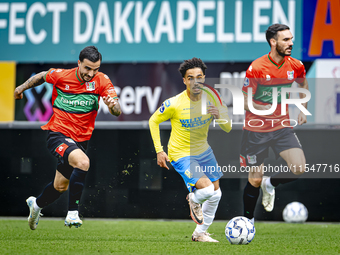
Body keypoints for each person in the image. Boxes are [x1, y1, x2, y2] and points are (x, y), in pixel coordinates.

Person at [14, 46, 121, 230]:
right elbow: (42, 76)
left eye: (95, 69)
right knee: (83, 162)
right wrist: (21, 87)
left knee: (60, 187)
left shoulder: (102, 80)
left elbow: (117, 111)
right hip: (58, 133)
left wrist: (112, 106)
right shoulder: (62, 76)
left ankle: (36, 205)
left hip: (80, 141)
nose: (91, 73)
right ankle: (73, 213)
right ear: (79, 63)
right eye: (87, 68)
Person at [149, 58, 232, 242]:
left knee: (216, 193)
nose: (196, 81)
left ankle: (199, 233)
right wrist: (159, 150)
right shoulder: (174, 103)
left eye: (199, 77)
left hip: (204, 151)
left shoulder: (213, 97)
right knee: (208, 189)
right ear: (184, 81)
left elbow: (228, 128)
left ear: (204, 78)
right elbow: (153, 121)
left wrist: (220, 117)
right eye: (191, 78)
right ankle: (193, 198)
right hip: (182, 154)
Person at [240, 24, 309, 223]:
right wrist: (260, 109)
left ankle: (271, 183)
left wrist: (303, 108)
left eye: (291, 39)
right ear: (273, 42)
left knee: (298, 167)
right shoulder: (257, 67)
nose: (291, 43)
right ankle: (247, 222)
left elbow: (303, 84)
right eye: (286, 40)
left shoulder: (296, 65)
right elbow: (244, 100)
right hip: (256, 130)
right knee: (254, 179)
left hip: (281, 127)